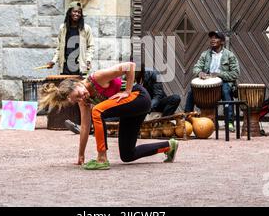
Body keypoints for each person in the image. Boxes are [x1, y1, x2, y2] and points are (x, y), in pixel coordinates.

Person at [39, 62, 179, 170]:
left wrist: (127, 91)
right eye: (77, 100)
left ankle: (102, 158)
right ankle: (169, 146)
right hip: (129, 110)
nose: (81, 98)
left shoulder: (97, 78)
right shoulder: (84, 101)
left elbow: (130, 66)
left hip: (139, 97)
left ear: (77, 84)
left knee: (97, 111)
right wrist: (81, 155)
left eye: (78, 95)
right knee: (127, 155)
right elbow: (85, 127)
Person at [64, 65, 181, 134]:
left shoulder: (153, 75)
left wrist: (148, 108)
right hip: (135, 104)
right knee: (104, 116)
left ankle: (160, 124)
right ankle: (87, 129)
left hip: (154, 104)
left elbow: (158, 95)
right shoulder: (128, 77)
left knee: (175, 98)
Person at [184, 31, 240, 131]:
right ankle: (187, 120)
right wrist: (200, 73)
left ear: (222, 42)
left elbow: (235, 73)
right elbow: (196, 68)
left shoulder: (229, 55)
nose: (213, 40)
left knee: (226, 91)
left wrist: (219, 74)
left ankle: (230, 122)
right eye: (211, 38)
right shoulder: (205, 54)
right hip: (208, 81)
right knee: (191, 92)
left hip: (223, 82)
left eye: (216, 38)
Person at [45, 1, 94, 76]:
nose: (77, 14)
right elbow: (59, 48)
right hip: (65, 68)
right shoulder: (63, 28)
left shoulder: (86, 28)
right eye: (74, 11)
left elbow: (91, 47)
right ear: (69, 12)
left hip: (79, 68)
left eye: (79, 12)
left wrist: (88, 60)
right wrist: (53, 61)